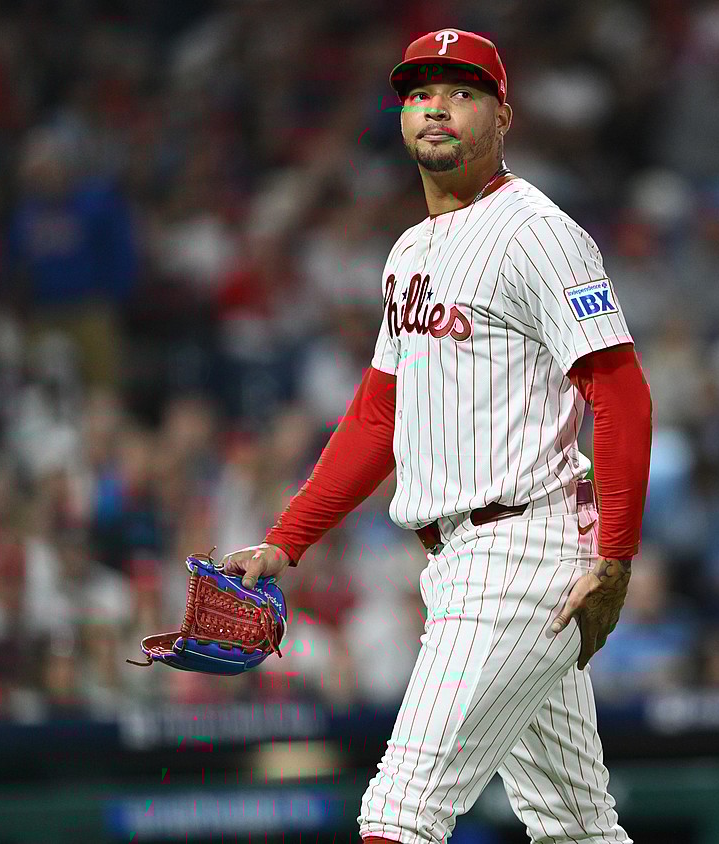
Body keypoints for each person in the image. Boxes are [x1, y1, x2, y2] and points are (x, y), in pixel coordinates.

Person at [221, 28, 652, 844]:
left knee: (399, 811)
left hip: (524, 552)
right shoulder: (410, 250)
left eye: (461, 92)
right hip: (463, 559)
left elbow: (621, 391)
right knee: (576, 826)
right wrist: (286, 542)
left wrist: (618, 556)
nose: (437, 109)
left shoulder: (536, 231)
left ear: (503, 116)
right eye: (421, 93)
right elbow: (380, 418)